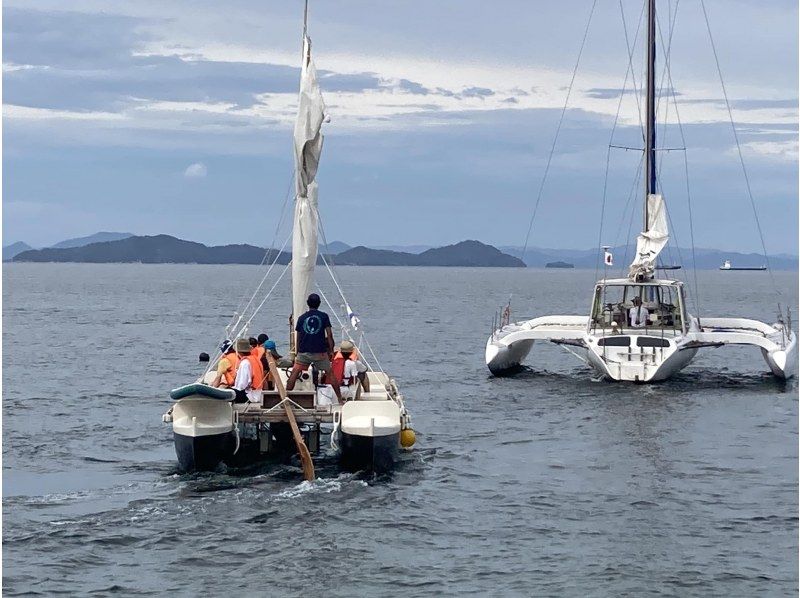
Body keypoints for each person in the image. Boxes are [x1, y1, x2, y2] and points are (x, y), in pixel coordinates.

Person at [286, 293, 342, 403]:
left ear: (308, 303)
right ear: (319, 304)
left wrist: (298, 352)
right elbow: (329, 335)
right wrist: (331, 350)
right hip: (320, 352)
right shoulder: (324, 316)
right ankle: (340, 400)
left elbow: (298, 337)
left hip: (304, 352)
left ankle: (286, 398)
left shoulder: (302, 318)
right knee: (330, 374)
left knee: (294, 373)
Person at [232, 338, 265, 403]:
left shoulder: (245, 363)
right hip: (257, 393)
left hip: (249, 395)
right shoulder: (255, 359)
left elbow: (242, 385)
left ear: (239, 352)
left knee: (228, 392)